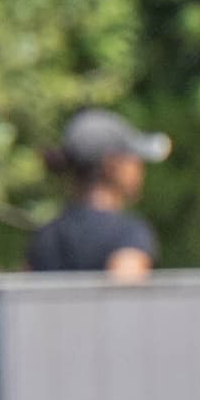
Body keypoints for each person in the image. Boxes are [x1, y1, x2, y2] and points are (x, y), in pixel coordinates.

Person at [26, 108, 170, 279]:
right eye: (133, 158)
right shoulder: (128, 234)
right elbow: (126, 298)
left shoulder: (45, 236)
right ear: (114, 165)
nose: (140, 167)